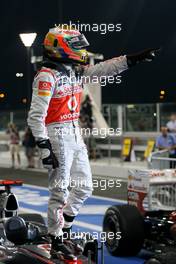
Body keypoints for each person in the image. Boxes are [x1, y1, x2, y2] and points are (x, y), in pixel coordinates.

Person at [27, 25, 159, 260]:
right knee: (59, 190)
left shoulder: (75, 71)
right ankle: (56, 239)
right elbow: (36, 116)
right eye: (76, 46)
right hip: (56, 133)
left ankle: (64, 228)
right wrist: (44, 146)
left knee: (85, 186)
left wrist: (131, 60)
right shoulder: (46, 76)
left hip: (75, 133)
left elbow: (103, 69)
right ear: (60, 48)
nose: (81, 50)